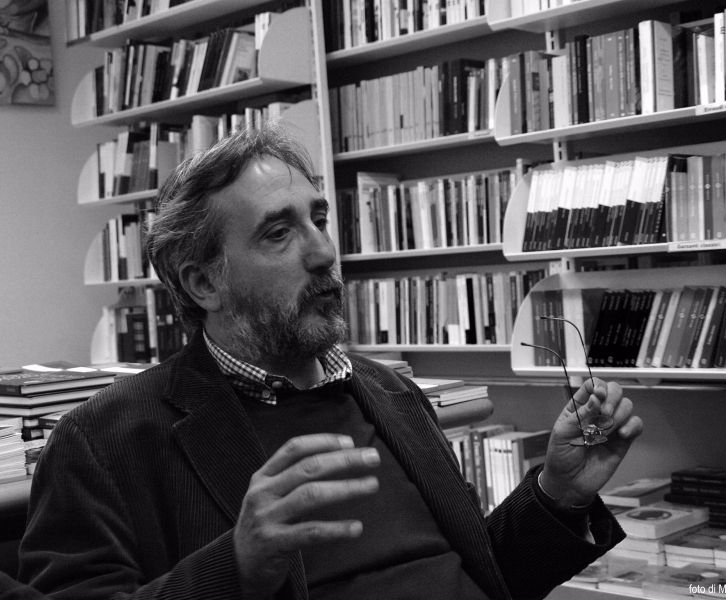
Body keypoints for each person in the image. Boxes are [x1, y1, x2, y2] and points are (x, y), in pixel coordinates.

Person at [18, 123, 643, 600]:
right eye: (278, 233)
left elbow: (484, 575)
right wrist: (236, 567)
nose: (323, 253)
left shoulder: (391, 393)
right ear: (204, 283)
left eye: (319, 219)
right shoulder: (105, 441)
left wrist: (557, 495)